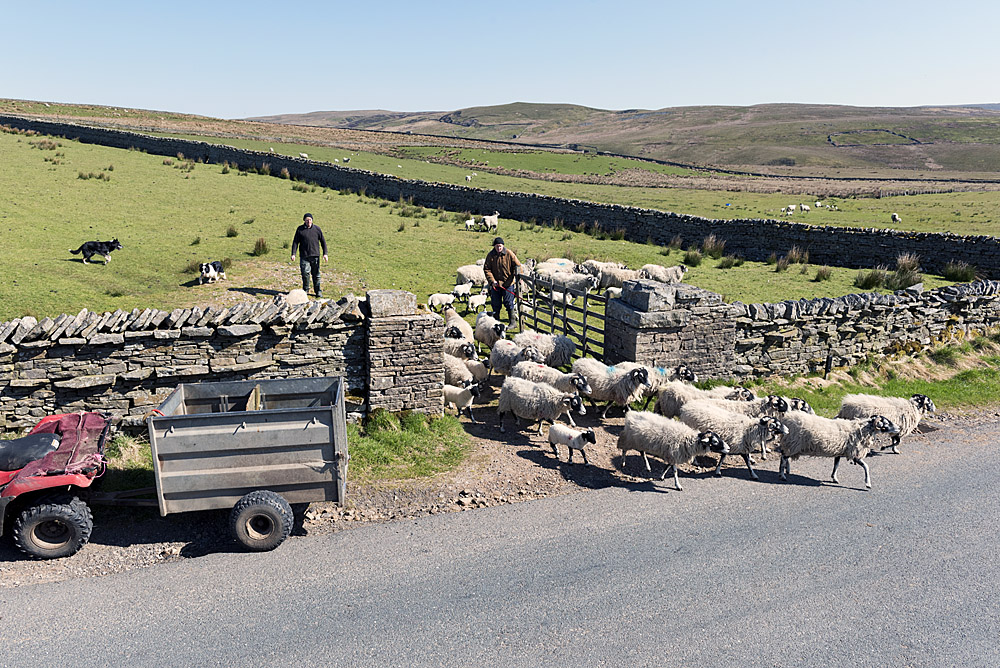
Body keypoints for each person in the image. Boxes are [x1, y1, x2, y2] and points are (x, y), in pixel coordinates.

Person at [483, 237, 522, 327]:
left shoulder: (509, 254)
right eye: (497, 246)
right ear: (494, 246)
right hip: (495, 285)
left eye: (500, 246)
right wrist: (492, 281)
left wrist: (518, 278)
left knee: (509, 302)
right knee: (495, 303)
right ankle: (496, 322)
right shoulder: (491, 255)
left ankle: (512, 322)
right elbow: (487, 269)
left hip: (508, 283)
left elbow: (518, 266)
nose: (499, 248)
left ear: (503, 246)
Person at [290, 213, 328, 298]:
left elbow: (323, 242)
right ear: (304, 221)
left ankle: (318, 291)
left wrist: (325, 254)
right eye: (307, 220)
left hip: (315, 256)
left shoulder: (317, 229)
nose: (308, 221)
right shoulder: (300, 229)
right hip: (304, 256)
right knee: (305, 274)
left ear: (312, 220)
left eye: (310, 220)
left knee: (316, 275)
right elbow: (295, 242)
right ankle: (305, 290)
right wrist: (293, 254)